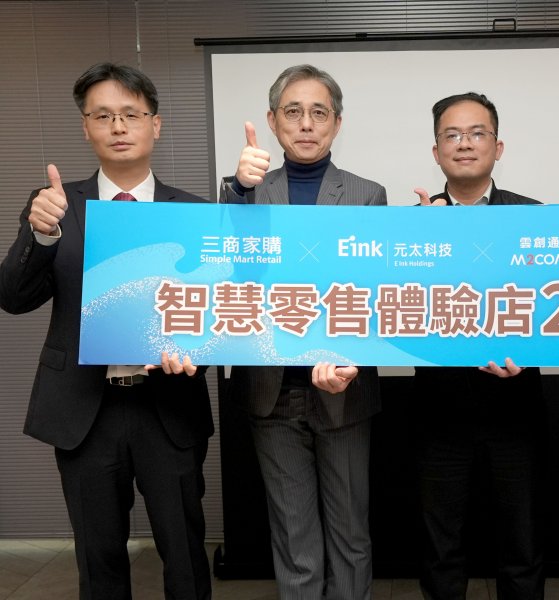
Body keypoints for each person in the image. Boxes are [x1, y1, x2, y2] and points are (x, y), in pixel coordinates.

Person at [0, 63, 214, 599]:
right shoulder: (54, 204)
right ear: (85, 127)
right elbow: (14, 299)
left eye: (131, 114)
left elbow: (214, 313)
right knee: (98, 561)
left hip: (169, 407)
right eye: (102, 116)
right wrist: (40, 235)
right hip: (83, 409)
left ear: (155, 125)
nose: (118, 126)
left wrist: (196, 353)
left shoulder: (194, 211)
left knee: (185, 556)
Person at [218, 64, 384, 600]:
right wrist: (238, 191)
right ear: (272, 122)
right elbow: (231, 272)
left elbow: (372, 291)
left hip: (344, 389)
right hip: (273, 392)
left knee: (351, 536)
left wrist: (349, 357)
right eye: (293, 112)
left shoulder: (366, 195)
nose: (306, 124)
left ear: (337, 123)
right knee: (295, 541)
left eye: (319, 112)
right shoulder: (246, 191)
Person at [412, 92, 546, 600]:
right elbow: (392, 311)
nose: (464, 143)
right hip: (439, 413)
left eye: (476, 133)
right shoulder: (412, 225)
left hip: (516, 410)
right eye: (452, 135)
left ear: (498, 146)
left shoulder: (535, 217)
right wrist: (422, 251)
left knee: (522, 545)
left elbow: (556, 309)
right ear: (436, 151)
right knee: (440, 548)